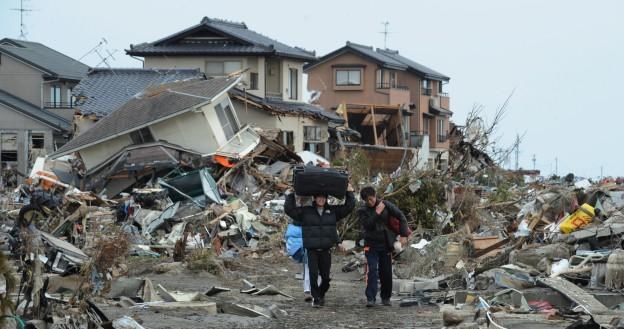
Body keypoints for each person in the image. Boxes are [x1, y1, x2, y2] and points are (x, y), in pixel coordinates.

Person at [285, 185, 355, 307]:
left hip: (326, 249)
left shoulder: (333, 212)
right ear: (315, 198)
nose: (321, 199)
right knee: (313, 276)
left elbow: (348, 207)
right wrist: (291, 195)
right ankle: (316, 299)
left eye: (323, 197)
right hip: (311, 249)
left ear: (326, 199)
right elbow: (290, 210)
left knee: (326, 278)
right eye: (319, 197)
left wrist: (350, 192)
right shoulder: (306, 212)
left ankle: (321, 294)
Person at [357, 186, 409, 307]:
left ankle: (386, 297)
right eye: (368, 200)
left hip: (386, 244)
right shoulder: (362, 210)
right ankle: (371, 298)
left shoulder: (385, 204)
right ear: (364, 200)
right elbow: (367, 225)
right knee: (372, 270)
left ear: (375, 195)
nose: (371, 201)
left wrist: (403, 234)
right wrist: (376, 213)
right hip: (371, 245)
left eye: (372, 198)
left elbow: (401, 216)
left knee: (386, 271)